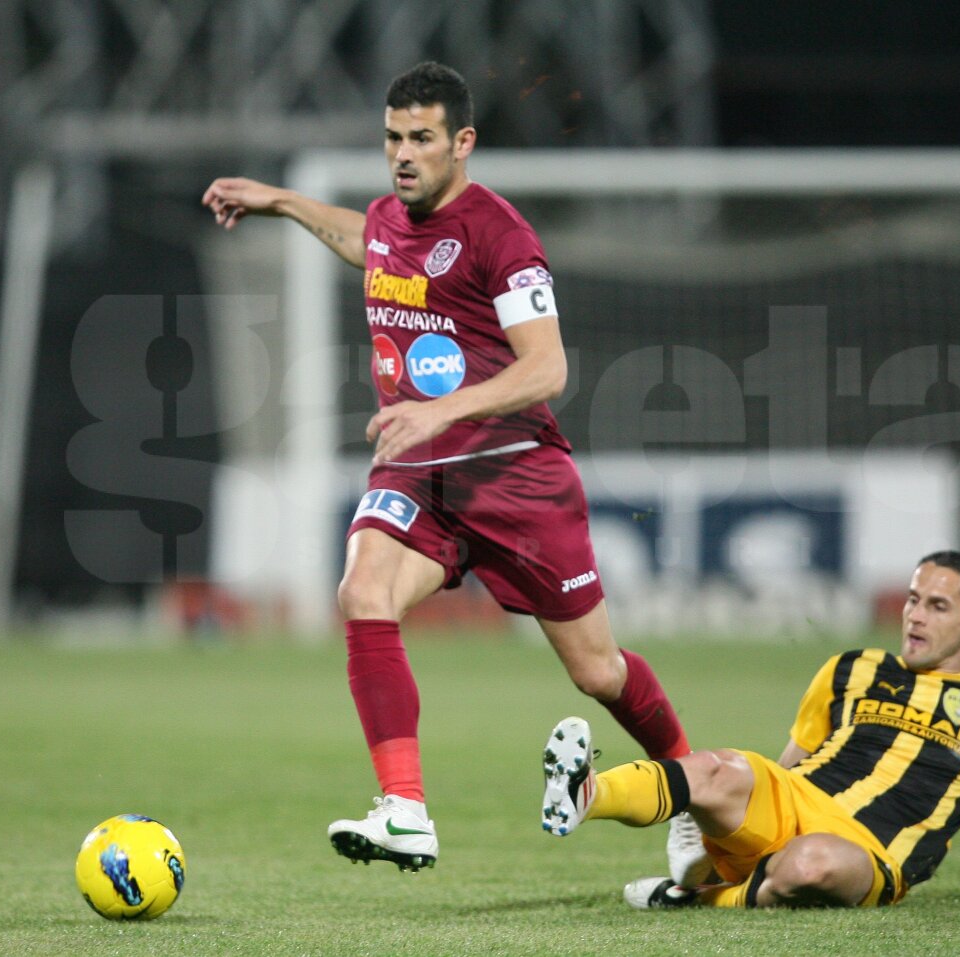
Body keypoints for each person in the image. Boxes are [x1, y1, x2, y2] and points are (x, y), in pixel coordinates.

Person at [202, 61, 690, 872]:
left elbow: (548, 370)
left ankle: (690, 787)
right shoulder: (393, 215)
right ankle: (405, 809)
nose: (402, 153)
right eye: (392, 137)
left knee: (596, 671)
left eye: (421, 138)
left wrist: (439, 408)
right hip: (421, 477)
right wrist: (282, 201)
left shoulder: (502, 234)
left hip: (515, 477)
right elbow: (369, 240)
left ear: (462, 143)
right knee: (363, 589)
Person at [541, 550, 960, 908]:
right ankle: (587, 794)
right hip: (800, 799)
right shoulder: (852, 668)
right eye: (912, 599)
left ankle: (695, 900)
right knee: (716, 767)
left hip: (872, 853)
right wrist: (731, 815)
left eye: (937, 606)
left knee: (810, 867)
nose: (914, 615)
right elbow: (788, 764)